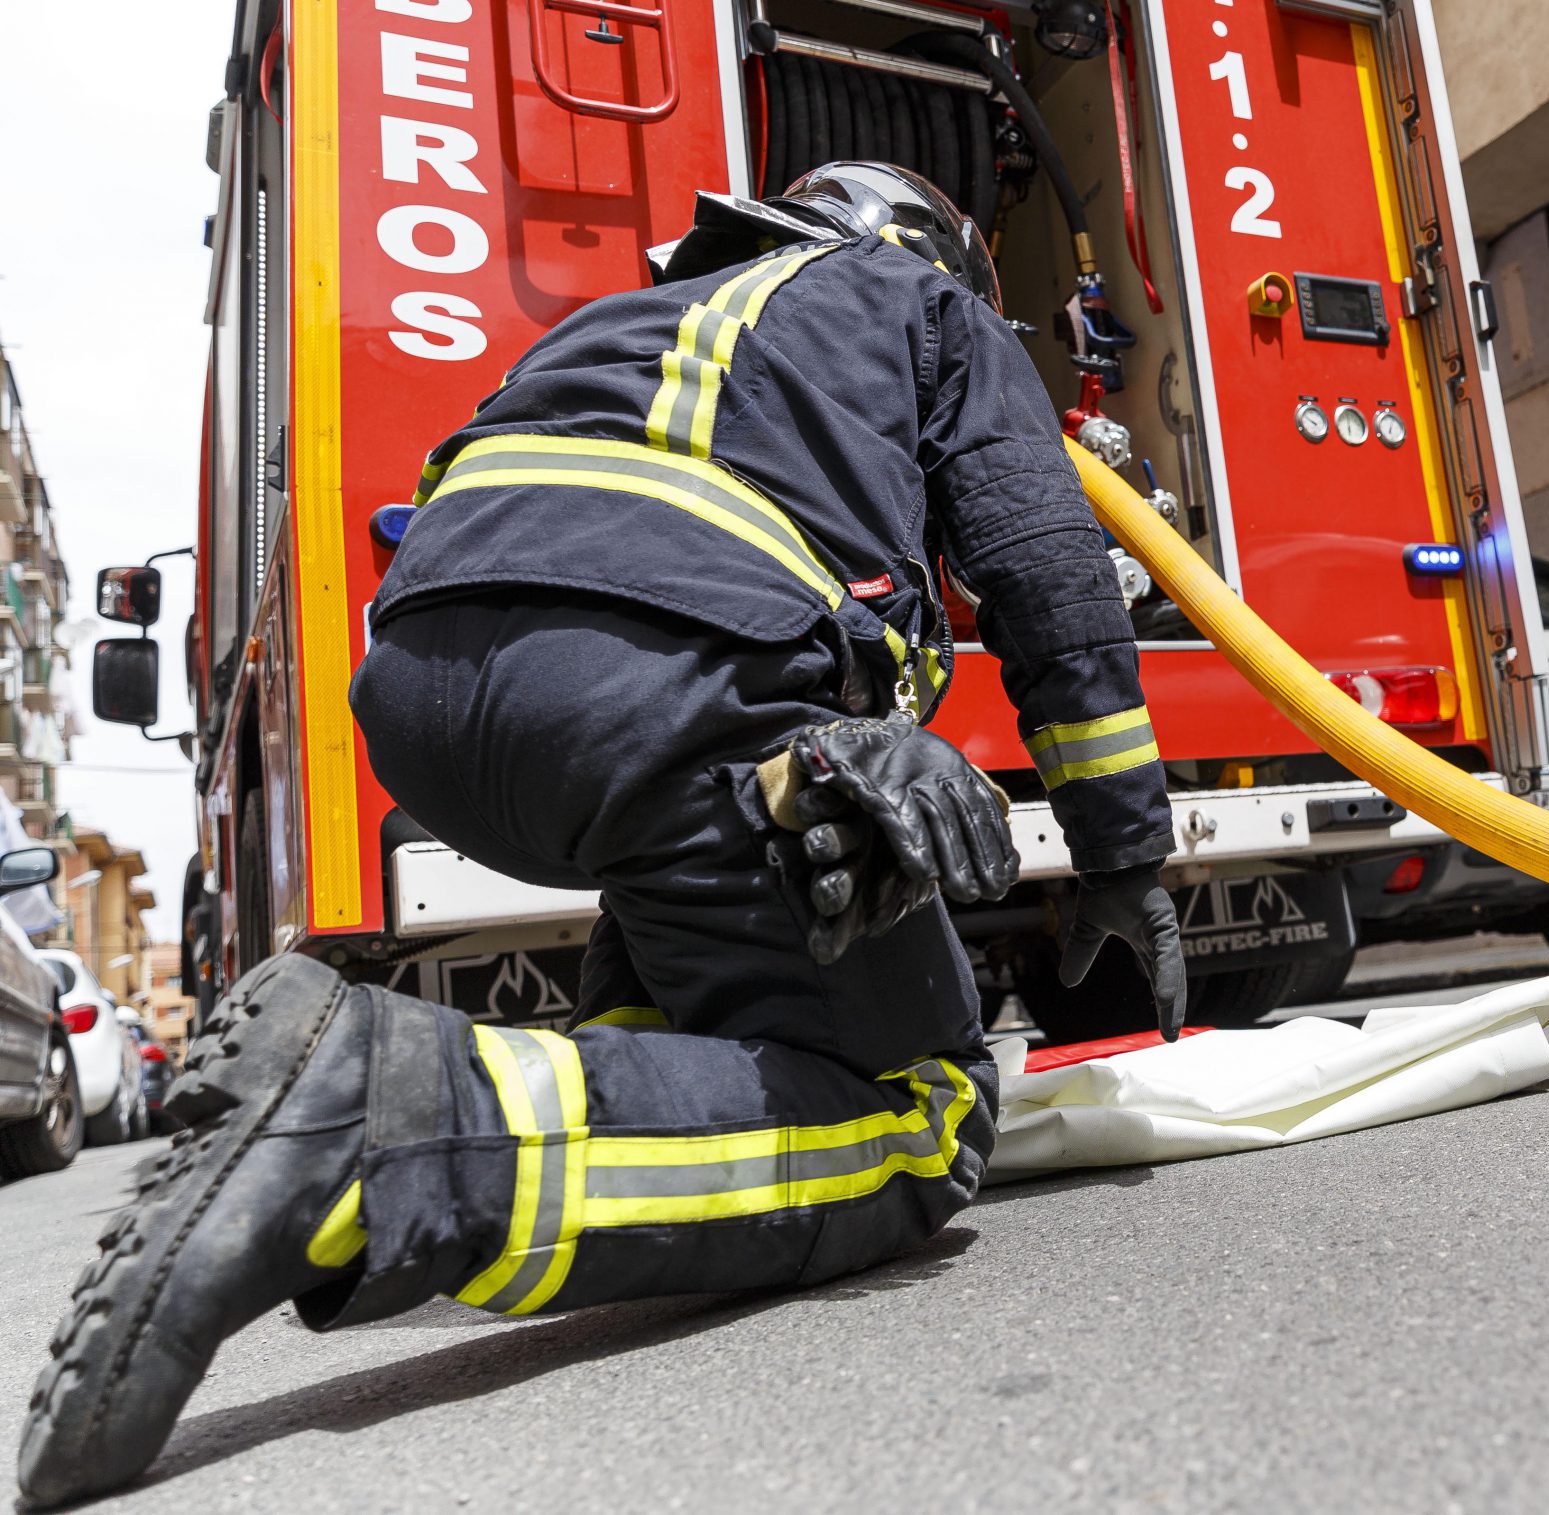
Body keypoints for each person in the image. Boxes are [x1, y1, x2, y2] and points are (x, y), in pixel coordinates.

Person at [19, 164, 1187, 1507]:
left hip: (422, 702)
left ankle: (567, 1104)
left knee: (703, 903)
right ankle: (383, 1126)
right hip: (663, 677)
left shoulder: (620, 323)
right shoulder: (926, 307)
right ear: (934, 253)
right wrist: (1120, 855)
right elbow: (1042, 574)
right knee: (922, 1117)